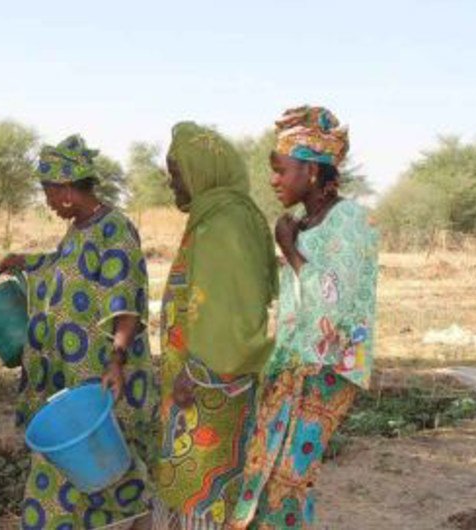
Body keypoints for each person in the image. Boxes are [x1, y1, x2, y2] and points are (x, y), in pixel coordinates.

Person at [230, 106, 379, 529]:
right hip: (291, 364)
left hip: (325, 371)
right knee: (264, 472)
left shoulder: (350, 220)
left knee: (288, 480)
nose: (274, 180)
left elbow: (337, 305)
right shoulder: (305, 222)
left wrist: (290, 252)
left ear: (312, 172)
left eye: (281, 170)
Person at [0, 135, 158, 530]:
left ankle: (137, 518)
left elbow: (126, 301)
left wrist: (116, 360)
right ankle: (137, 518)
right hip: (71, 373)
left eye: (49, 193)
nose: (48, 203)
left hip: (101, 373)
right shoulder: (78, 228)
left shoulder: (115, 229)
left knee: (91, 461)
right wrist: (26, 262)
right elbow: (62, 267)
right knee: (91, 464)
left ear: (67, 190)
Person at [151, 123, 278, 530]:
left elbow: (230, 313)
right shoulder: (214, 217)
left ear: (200, 172)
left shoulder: (227, 223)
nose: (172, 184)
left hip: (210, 387)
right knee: (186, 484)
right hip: (194, 385)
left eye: (177, 174)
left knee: (204, 489)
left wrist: (197, 373)